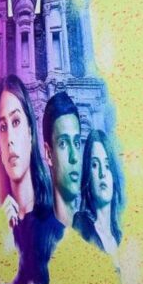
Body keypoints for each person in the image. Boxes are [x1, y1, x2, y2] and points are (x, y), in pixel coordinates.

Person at [0, 75, 63, 284]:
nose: (10, 139)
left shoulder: (55, 228)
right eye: (3, 127)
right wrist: (2, 245)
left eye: (16, 122)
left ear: (31, 132)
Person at [74, 130, 124, 260]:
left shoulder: (120, 238)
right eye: (95, 165)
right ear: (88, 175)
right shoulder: (81, 227)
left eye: (107, 166)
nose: (102, 173)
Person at [42, 92, 83, 228]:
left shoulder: (93, 232)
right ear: (49, 154)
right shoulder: (37, 233)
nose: (74, 157)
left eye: (76, 143)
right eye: (63, 143)